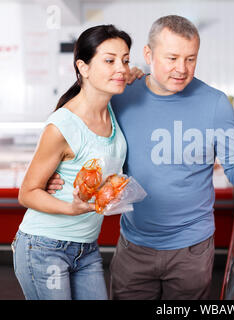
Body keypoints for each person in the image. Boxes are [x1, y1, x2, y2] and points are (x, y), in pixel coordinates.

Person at [47, 15, 234, 300]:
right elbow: (88, 138)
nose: (182, 69)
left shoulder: (215, 104)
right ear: (148, 54)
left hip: (192, 250)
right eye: (172, 58)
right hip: (134, 246)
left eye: (190, 59)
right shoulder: (121, 95)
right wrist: (60, 173)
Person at [13, 24, 132, 300]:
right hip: (44, 247)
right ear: (83, 67)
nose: (122, 68)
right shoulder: (63, 126)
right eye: (109, 60)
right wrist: (72, 208)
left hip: (87, 248)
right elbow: (27, 193)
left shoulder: (111, 109)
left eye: (126, 60)